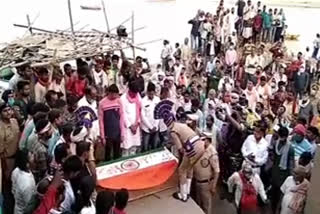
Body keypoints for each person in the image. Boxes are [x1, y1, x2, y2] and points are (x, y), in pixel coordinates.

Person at [154, 100, 206, 202]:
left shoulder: (173, 131)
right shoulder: (180, 125)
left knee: (182, 170)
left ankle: (183, 195)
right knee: (189, 168)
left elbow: (180, 148)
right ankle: (187, 192)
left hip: (192, 147)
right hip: (201, 145)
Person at [270, 126, 295, 213]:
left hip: (284, 175)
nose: (283, 139)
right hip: (275, 172)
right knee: (274, 195)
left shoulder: (290, 148)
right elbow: (272, 156)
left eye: (284, 137)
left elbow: (291, 164)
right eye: (281, 136)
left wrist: (292, 176)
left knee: (282, 196)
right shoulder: (275, 144)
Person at [193, 137, 220, 214]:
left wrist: (213, 186)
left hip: (206, 183)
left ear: (207, 141)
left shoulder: (212, 152)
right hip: (197, 181)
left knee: (206, 206)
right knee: (197, 204)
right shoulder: (198, 149)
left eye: (203, 140)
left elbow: (217, 171)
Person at [99, 84, 122, 161]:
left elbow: (122, 117)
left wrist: (122, 133)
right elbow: (101, 120)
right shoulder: (102, 103)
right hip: (107, 133)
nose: (115, 96)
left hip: (117, 132)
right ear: (109, 92)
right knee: (107, 154)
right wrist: (102, 136)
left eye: (117, 94)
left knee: (117, 153)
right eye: (114, 94)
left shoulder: (119, 101)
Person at [120, 80, 142, 156]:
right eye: (133, 92)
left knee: (134, 148)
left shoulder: (138, 96)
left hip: (136, 126)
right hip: (127, 128)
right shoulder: (123, 98)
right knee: (126, 149)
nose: (135, 94)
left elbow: (140, 109)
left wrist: (137, 124)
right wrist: (130, 126)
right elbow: (123, 114)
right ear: (129, 90)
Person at [11, 149, 36, 214]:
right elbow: (29, 205)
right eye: (31, 156)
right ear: (27, 164)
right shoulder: (28, 184)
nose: (34, 156)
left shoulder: (15, 171)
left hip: (17, 208)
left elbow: (13, 190)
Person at [141, 82, 160, 152]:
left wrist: (155, 126)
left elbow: (158, 113)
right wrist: (150, 127)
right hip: (146, 129)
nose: (151, 96)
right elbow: (143, 116)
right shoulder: (143, 101)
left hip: (156, 128)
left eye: (153, 94)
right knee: (145, 147)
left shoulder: (157, 100)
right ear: (147, 92)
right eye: (150, 94)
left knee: (155, 147)